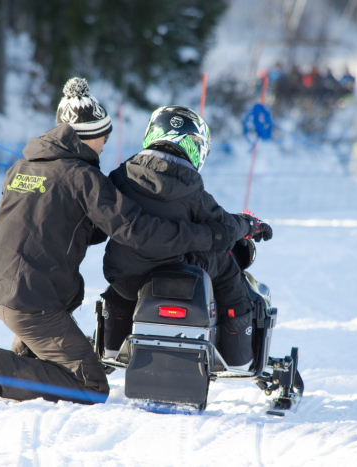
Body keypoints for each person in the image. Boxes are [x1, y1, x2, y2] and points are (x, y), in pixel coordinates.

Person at [0, 79, 252, 406]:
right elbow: (138, 230)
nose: (105, 145)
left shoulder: (23, 167)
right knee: (90, 385)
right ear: (87, 136)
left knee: (52, 341)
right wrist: (212, 235)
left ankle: (22, 361)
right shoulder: (82, 177)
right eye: (104, 137)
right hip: (32, 300)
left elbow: (57, 225)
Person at [101, 106, 273, 370]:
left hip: (124, 277)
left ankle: (112, 346)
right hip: (173, 274)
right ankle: (238, 357)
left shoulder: (121, 175)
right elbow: (223, 226)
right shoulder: (191, 184)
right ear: (195, 146)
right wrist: (249, 224)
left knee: (126, 264)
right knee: (227, 266)